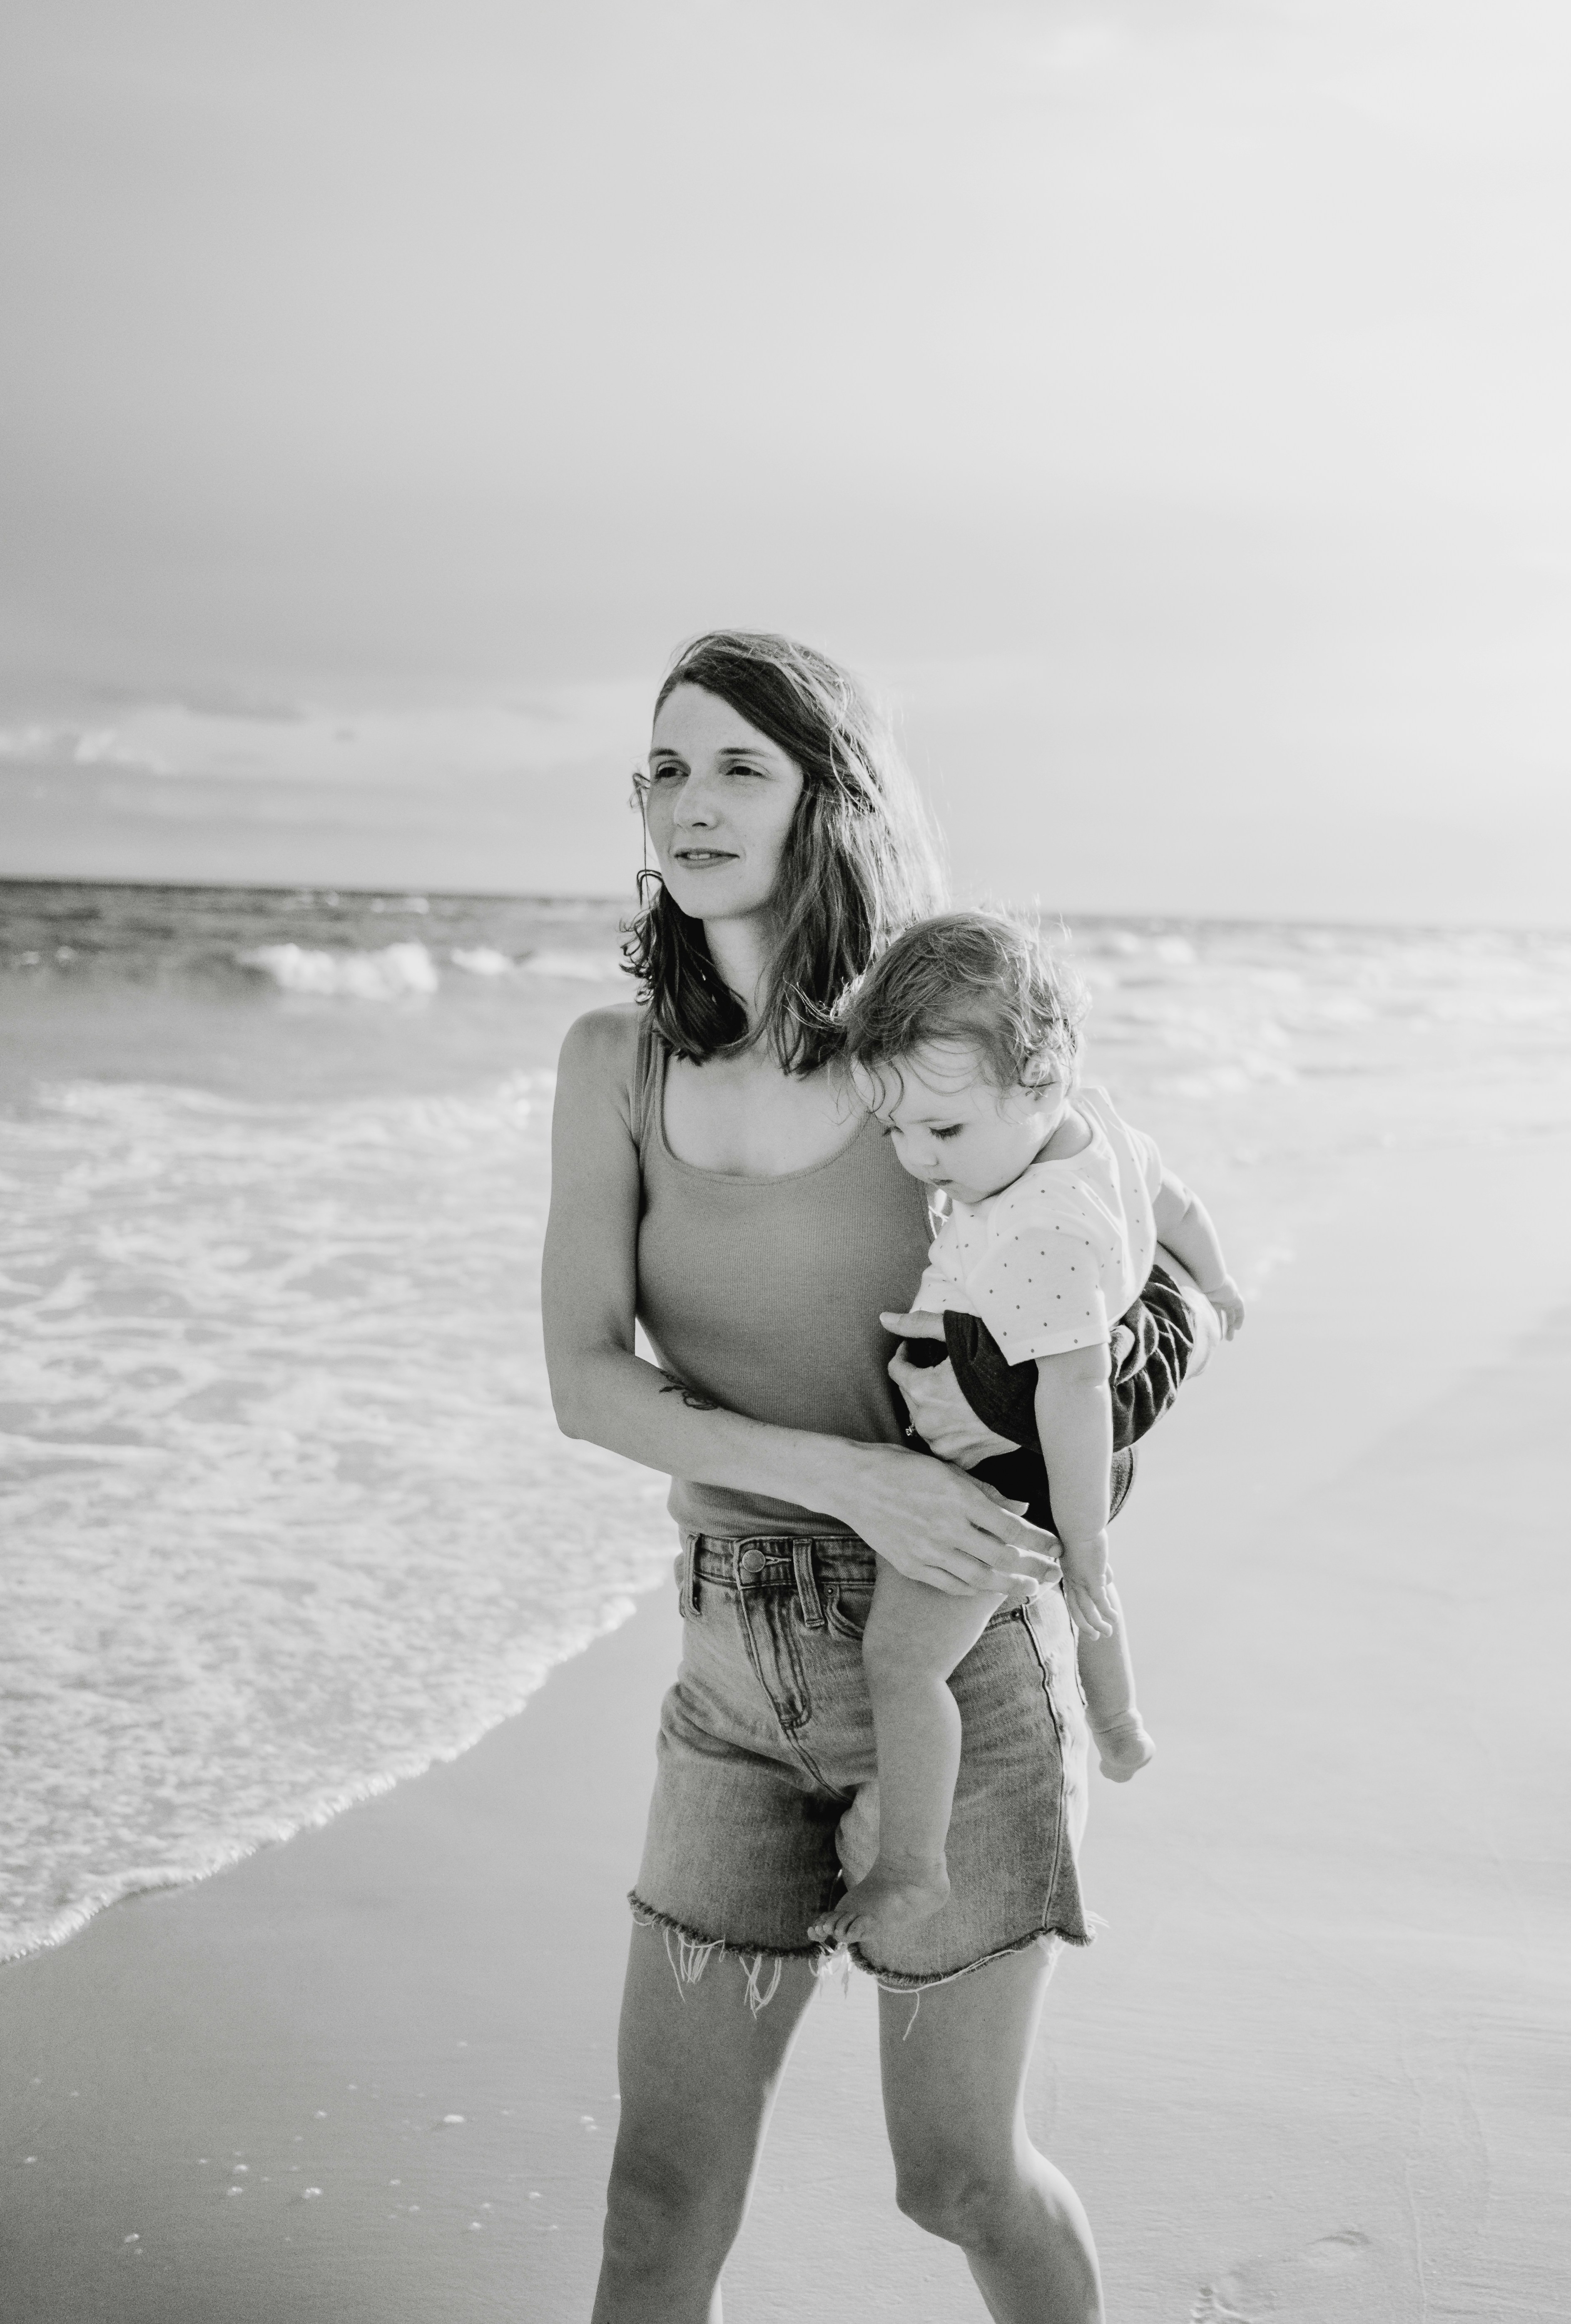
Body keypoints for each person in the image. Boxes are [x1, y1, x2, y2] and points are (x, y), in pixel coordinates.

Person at [543, 632, 1107, 2321]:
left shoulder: (928, 1059)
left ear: (828, 801)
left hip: (942, 1679)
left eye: (737, 766)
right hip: (729, 1673)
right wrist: (839, 1477)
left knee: (955, 2180)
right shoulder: (610, 1067)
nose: (688, 801)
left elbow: (1141, 1260)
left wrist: (1076, 1458)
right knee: (657, 2197)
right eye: (662, 767)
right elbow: (585, 1384)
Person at [806, 911, 1245, 1958]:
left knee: (905, 1663)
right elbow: (1176, 1202)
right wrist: (1218, 1278)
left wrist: (1077, 1532)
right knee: (1084, 1584)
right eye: (897, 1133)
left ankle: (912, 1865)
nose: (917, 1161)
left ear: (1039, 1081)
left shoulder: (1043, 1226)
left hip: (1015, 1469)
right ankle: (1122, 1722)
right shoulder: (1101, 1126)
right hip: (1067, 1470)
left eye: (942, 1133)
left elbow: (1077, 1388)